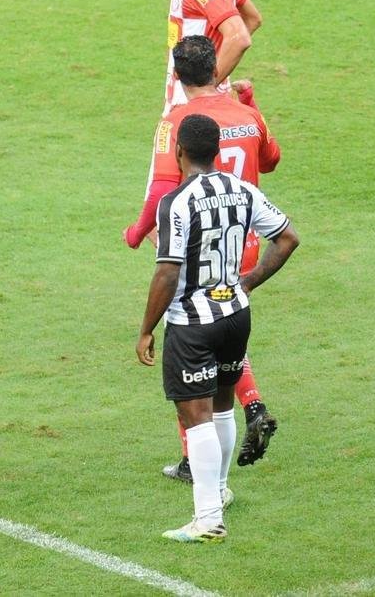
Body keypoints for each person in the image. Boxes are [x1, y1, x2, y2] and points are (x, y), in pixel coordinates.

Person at [124, 36, 282, 481]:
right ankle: (251, 406)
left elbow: (160, 191)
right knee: (226, 327)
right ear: (218, 69)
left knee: (189, 341)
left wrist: (138, 232)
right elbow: (271, 161)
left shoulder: (177, 121)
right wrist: (251, 101)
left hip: (199, 242)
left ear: (176, 75)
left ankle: (197, 462)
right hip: (246, 238)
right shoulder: (247, 115)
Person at [136, 113, 299, 543]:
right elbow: (287, 238)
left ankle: (207, 518)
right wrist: (247, 282)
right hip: (235, 316)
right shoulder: (242, 190)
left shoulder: (177, 202)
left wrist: (146, 328)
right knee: (223, 407)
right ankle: (221, 491)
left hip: (192, 324)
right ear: (217, 152)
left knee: (197, 417)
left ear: (181, 152)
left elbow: (168, 272)